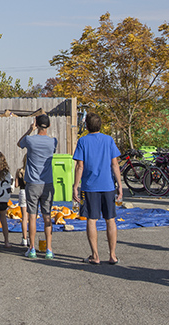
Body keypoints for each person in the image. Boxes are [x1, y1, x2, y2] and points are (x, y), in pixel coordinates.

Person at [72, 112, 122, 266]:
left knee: (91, 220)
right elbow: (115, 164)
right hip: (107, 186)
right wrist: (120, 185)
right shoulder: (108, 140)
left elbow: (80, 166)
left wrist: (75, 186)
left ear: (86, 126)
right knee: (110, 219)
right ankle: (112, 255)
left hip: (90, 187)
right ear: (100, 125)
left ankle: (95, 255)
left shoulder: (83, 141)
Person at [17, 114, 57, 259]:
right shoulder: (53, 142)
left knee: (32, 216)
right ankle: (49, 249)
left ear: (37, 124)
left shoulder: (30, 140)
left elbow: (19, 143)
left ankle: (32, 247)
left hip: (33, 183)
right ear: (49, 125)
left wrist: (30, 130)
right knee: (47, 216)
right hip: (47, 183)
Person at [15, 156, 29, 247]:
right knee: (31, 216)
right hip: (31, 192)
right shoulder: (32, 171)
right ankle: (31, 238)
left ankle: (24, 238)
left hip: (22, 192)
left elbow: (16, 185)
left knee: (24, 217)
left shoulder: (19, 171)